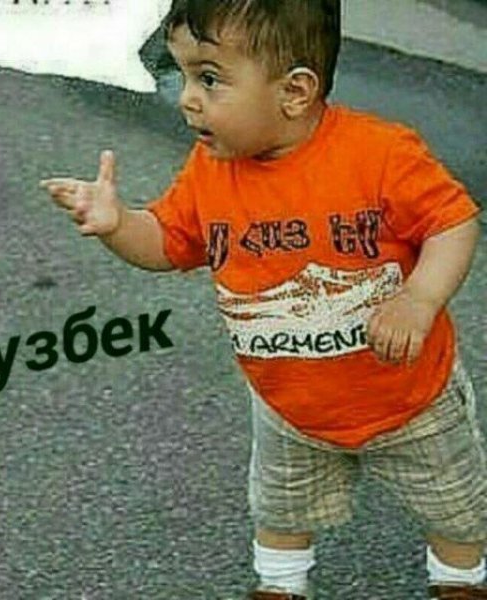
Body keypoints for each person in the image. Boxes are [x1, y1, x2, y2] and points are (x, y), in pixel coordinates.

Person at [40, 1, 486, 598]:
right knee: (280, 510)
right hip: (290, 407)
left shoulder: (380, 155)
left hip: (410, 400)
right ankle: (279, 586)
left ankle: (459, 582)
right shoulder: (210, 170)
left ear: (294, 91)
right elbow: (168, 243)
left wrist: (420, 298)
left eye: (209, 78)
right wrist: (119, 223)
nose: (186, 99)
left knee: (456, 509)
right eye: (182, 74)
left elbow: (452, 221)